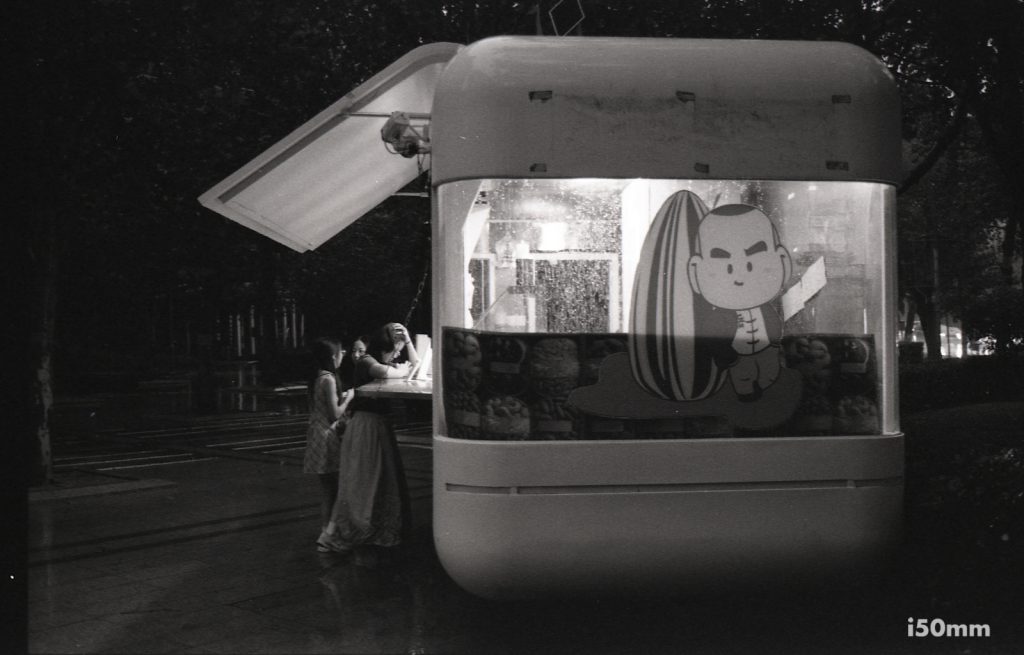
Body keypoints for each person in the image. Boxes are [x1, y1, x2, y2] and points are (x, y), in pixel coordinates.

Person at [318, 323, 418, 566]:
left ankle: (372, 531)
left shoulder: (382, 361)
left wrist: (408, 341)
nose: (398, 354)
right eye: (396, 349)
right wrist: (403, 368)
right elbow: (387, 372)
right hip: (366, 426)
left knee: (378, 480)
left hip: (376, 425)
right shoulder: (367, 361)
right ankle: (353, 533)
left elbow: (414, 365)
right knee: (365, 481)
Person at [304, 338, 355, 553]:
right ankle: (330, 535)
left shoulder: (317, 378)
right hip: (328, 437)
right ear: (333, 357)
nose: (343, 355)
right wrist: (349, 398)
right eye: (340, 353)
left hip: (316, 436)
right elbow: (335, 414)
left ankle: (326, 533)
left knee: (327, 491)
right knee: (338, 489)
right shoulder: (330, 379)